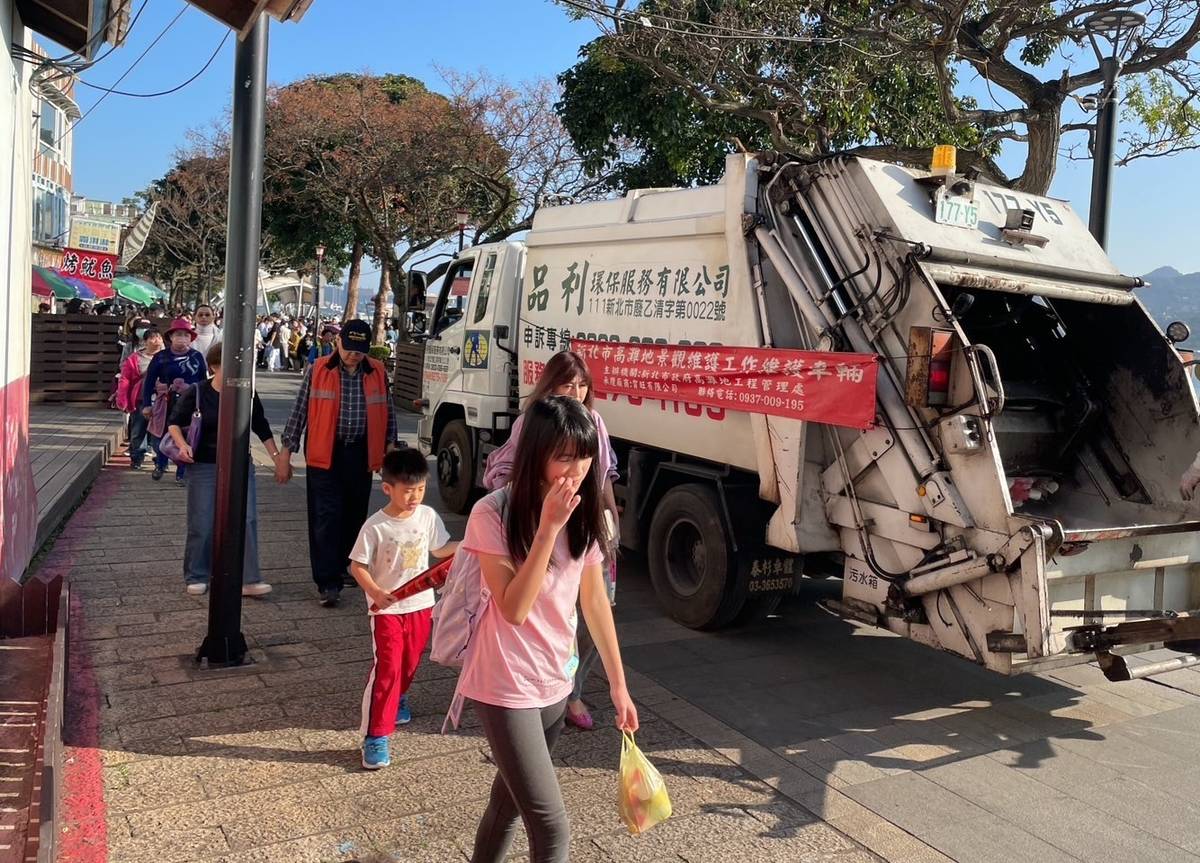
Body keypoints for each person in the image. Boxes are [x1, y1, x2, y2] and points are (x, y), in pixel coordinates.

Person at [460, 396, 637, 863]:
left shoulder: (586, 513)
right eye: (563, 455)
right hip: (505, 683)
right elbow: (514, 608)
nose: (576, 468)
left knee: (508, 805)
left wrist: (619, 686)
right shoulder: (491, 514)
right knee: (552, 825)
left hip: (557, 680)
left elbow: (596, 600)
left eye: (584, 455)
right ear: (535, 453)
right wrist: (545, 531)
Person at [483, 350, 620, 732]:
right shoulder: (535, 422)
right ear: (550, 385)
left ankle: (571, 689)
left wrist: (608, 516)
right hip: (541, 528)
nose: (575, 391)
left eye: (582, 385)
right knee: (537, 606)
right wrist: (534, 518)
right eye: (567, 384)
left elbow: (605, 472)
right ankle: (534, 696)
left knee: (593, 610)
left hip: (586, 525)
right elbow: (511, 468)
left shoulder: (594, 420)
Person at [277, 319, 401, 607]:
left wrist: (390, 449)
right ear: (338, 342)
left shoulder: (377, 371)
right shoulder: (319, 368)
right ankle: (327, 581)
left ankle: (343, 566)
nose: (352, 355)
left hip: (361, 453)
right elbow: (299, 411)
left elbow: (388, 411)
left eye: (358, 351)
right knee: (325, 516)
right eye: (348, 348)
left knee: (354, 515)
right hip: (325, 453)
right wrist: (285, 453)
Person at [351, 449, 458, 769]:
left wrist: (471, 544)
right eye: (408, 490)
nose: (415, 497)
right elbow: (357, 566)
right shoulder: (375, 527)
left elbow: (440, 549)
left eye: (421, 489)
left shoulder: (427, 516)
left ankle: (398, 697)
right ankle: (375, 736)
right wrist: (375, 591)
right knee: (388, 668)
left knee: (409, 664)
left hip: (422, 605)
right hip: (386, 610)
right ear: (388, 488)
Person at [167, 342, 280, 597]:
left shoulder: (247, 393)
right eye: (230, 365)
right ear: (215, 367)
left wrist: (277, 458)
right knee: (202, 521)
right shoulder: (197, 392)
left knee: (247, 519)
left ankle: (249, 578)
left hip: (240, 464)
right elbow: (175, 423)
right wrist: (183, 445)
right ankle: (197, 573)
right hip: (204, 464)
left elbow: (261, 426)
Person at [142, 318, 207, 483]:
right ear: (171, 337)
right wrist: (146, 405)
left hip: (190, 402)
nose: (182, 338)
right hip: (166, 402)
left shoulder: (196, 357)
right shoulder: (161, 357)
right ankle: (161, 464)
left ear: (190, 338)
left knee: (186, 436)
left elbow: (203, 381)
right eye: (178, 335)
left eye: (186, 335)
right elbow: (149, 381)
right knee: (162, 435)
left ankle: (182, 471)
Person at [118, 328, 163, 470]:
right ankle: (137, 457)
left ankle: (161, 459)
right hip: (140, 398)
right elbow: (125, 379)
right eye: (152, 338)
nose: (156, 341)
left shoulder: (166, 357)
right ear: (145, 341)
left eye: (159, 337)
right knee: (138, 429)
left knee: (160, 431)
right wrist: (122, 398)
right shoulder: (134, 358)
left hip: (163, 399)